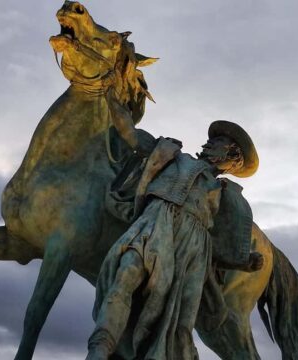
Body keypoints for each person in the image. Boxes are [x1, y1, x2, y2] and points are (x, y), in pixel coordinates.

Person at [86, 99, 264, 360]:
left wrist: (244, 262)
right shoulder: (171, 154)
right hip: (154, 223)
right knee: (124, 275)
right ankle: (99, 350)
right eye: (212, 140)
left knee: (179, 323)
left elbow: (219, 244)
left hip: (191, 247)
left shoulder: (224, 195)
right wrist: (111, 98)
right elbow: (131, 135)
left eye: (219, 142)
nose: (209, 142)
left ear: (232, 157)